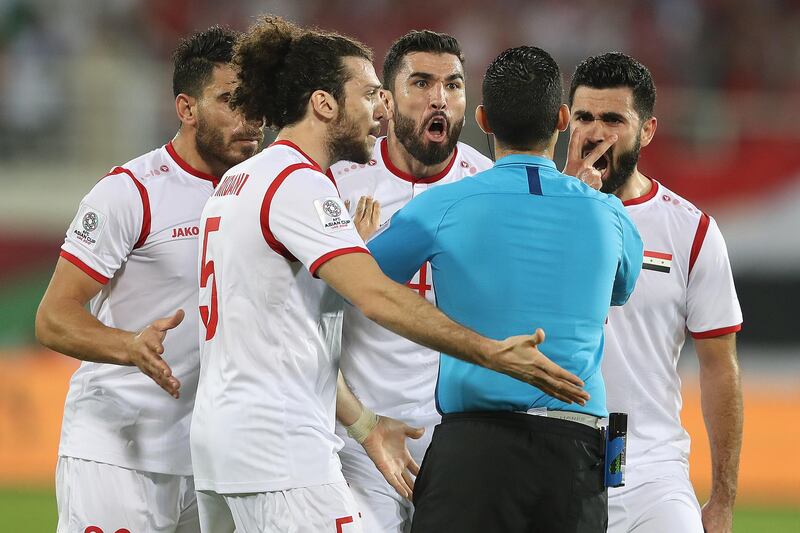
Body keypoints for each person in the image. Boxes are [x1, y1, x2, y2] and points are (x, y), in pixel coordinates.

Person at [189, 16, 589, 533]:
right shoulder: (302, 186)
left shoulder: (242, 179)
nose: (377, 110)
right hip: (282, 443)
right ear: (324, 104)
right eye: (370, 95)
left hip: (228, 439)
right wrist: (489, 351)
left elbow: (296, 325)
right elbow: (375, 295)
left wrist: (363, 423)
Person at [366, 46, 643, 533]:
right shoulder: (609, 214)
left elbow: (364, 281)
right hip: (574, 457)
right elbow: (619, 291)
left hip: (472, 453)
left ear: (483, 119)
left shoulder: (441, 206)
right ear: (561, 119)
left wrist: (357, 242)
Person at [34, 26, 263, 533]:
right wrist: (130, 345)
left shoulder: (264, 197)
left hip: (214, 458)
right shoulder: (130, 193)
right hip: (119, 449)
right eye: (230, 101)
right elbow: (53, 318)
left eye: (256, 102)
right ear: (186, 108)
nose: (250, 119)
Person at [565, 52, 743, 533]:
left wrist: (722, 500)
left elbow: (719, 367)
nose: (596, 132)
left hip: (649, 471)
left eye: (613, 119)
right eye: (583, 117)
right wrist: (568, 199)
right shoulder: (534, 214)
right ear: (565, 123)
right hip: (550, 460)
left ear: (647, 130)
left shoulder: (691, 231)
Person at [330, 30, 493, 532]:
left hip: (456, 440)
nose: (438, 98)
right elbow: (299, 312)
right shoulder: (337, 182)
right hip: (360, 436)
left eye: (453, 85)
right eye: (421, 83)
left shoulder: (485, 186)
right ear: (385, 99)